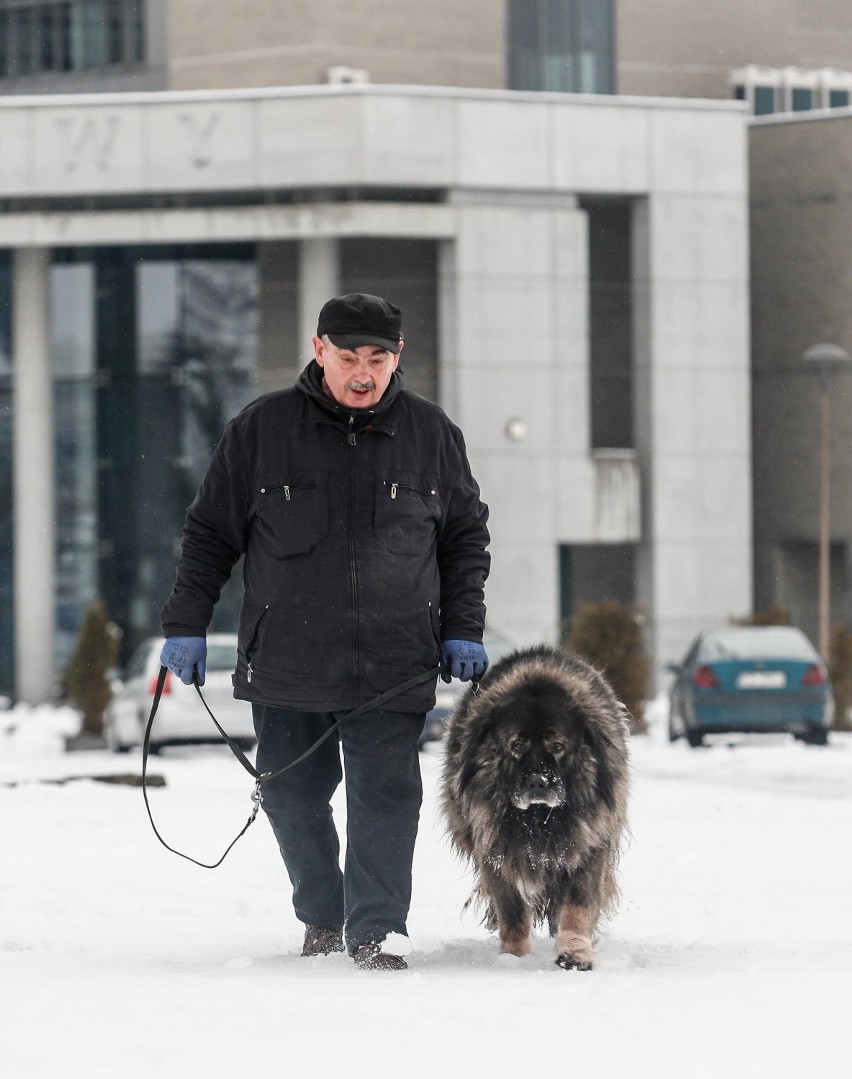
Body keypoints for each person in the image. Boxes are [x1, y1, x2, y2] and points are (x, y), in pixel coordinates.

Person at [159, 292, 490, 971]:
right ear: (319, 351)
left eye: (378, 357)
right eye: (348, 357)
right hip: (288, 657)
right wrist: (186, 622)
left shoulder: (432, 434)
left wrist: (463, 624)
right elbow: (209, 534)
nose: (363, 372)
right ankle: (323, 913)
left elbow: (463, 539)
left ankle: (374, 931)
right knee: (290, 792)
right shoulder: (260, 430)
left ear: (398, 358)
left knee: (386, 796)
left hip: (395, 657)